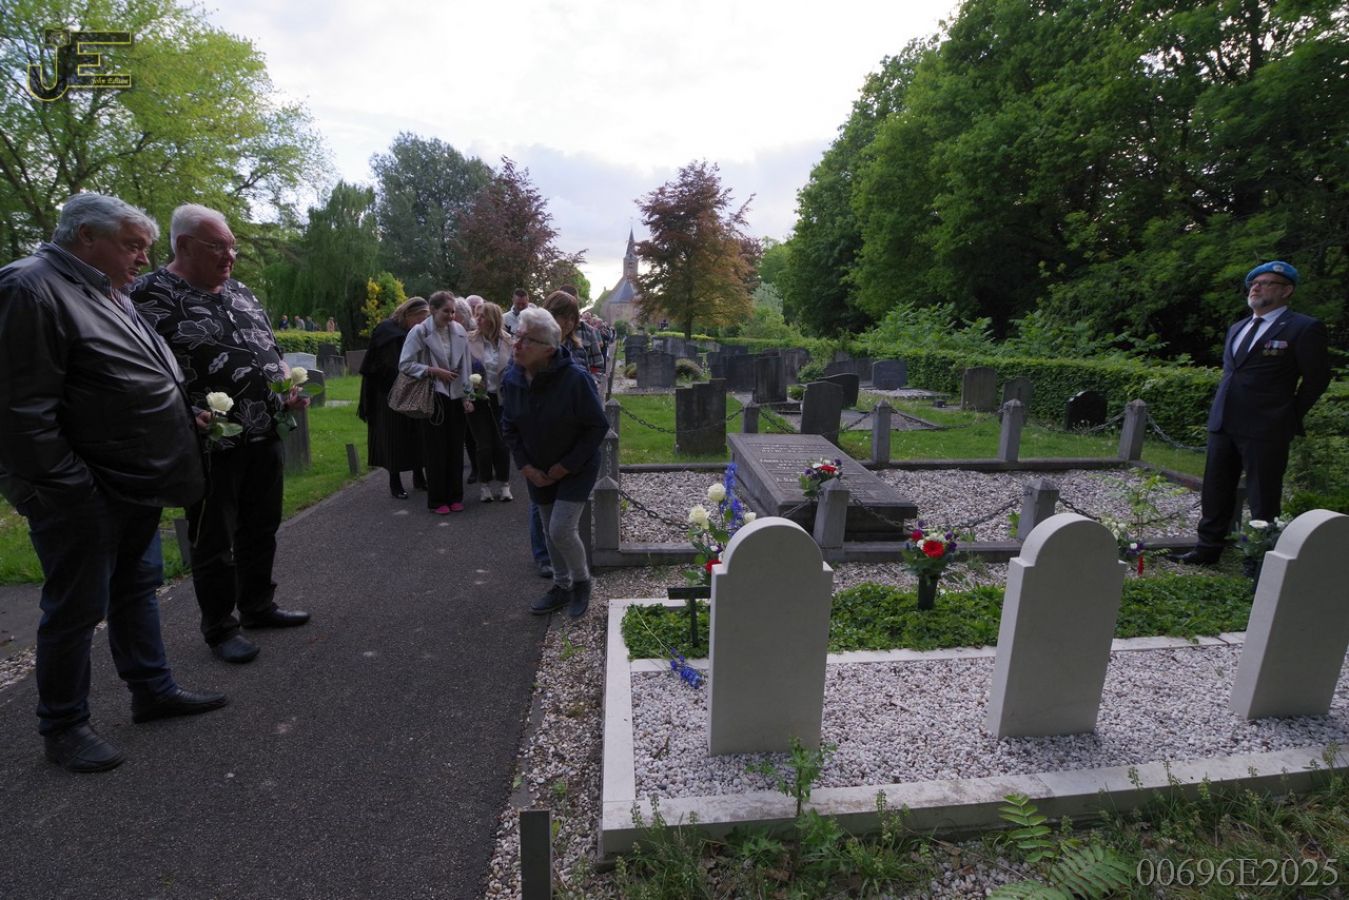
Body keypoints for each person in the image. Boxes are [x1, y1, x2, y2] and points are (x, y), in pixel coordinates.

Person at [0, 193, 228, 772]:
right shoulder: (30, 287)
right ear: (86, 236)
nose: (142, 259)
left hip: (130, 480)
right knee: (76, 608)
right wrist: (73, 489)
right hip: (83, 489)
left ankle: (152, 690)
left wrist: (181, 413)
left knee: (135, 587)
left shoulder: (104, 289)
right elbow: (21, 412)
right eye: (132, 246)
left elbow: (115, 380)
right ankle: (64, 726)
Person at [131, 204, 311, 666]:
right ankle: (220, 628)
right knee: (213, 539)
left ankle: (258, 606)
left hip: (265, 429)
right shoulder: (146, 296)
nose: (230, 255)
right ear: (184, 245)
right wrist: (183, 411)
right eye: (218, 246)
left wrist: (285, 384)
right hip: (210, 441)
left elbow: (269, 348)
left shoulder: (240, 291)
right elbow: (138, 372)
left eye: (232, 246)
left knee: (262, 526)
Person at [1177, 260, 1331, 566]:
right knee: (1216, 490)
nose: (1256, 288)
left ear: (1286, 290)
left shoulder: (1303, 327)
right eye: (1253, 283)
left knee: (1263, 497)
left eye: (1266, 283)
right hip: (1224, 421)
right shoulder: (1238, 327)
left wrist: (1288, 414)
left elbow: (1317, 378)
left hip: (1266, 426)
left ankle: (1258, 559)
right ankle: (1207, 549)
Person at [500, 307, 608, 619]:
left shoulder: (575, 379)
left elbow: (596, 427)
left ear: (548, 349)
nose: (517, 344)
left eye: (527, 340)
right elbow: (509, 426)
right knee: (549, 530)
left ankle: (581, 582)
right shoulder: (513, 377)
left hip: (576, 465)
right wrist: (526, 467)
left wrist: (566, 466)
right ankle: (561, 586)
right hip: (537, 468)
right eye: (517, 336)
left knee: (561, 528)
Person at [400, 291, 473, 514]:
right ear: (432, 310)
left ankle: (455, 496)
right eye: (446, 311)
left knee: (455, 448)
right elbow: (405, 364)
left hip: (456, 395)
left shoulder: (459, 331)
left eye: (453, 312)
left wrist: (468, 396)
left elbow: (466, 366)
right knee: (436, 450)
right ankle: (437, 499)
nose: (450, 316)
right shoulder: (419, 331)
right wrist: (432, 370)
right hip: (433, 395)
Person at [359, 296, 430, 498]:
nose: (421, 324)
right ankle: (395, 482)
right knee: (394, 437)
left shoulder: (413, 332)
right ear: (408, 315)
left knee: (417, 434)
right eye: (419, 319)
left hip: (412, 390)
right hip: (387, 393)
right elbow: (386, 365)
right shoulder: (387, 332)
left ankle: (419, 476)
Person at [467, 301, 514, 502]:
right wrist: (466, 395)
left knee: (502, 444)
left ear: (493, 319)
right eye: (477, 315)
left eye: (482, 316)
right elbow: (461, 370)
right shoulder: (468, 340)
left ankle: (505, 484)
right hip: (478, 399)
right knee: (483, 445)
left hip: (501, 399)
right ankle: (484, 485)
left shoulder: (508, 341)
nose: (478, 319)